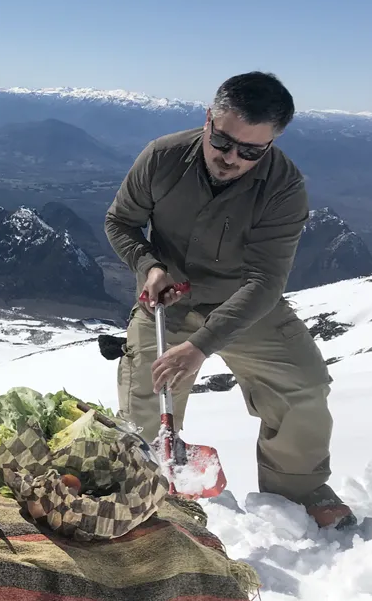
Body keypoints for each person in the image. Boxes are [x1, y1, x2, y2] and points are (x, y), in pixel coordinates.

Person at [104, 71, 355, 529]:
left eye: (250, 151)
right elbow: (121, 221)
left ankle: (299, 492)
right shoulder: (163, 157)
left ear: (271, 143)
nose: (230, 158)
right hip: (171, 300)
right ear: (208, 120)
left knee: (303, 387)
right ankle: (144, 485)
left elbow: (265, 281)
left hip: (244, 306)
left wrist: (201, 346)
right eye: (221, 141)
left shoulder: (283, 188)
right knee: (146, 396)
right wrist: (148, 265)